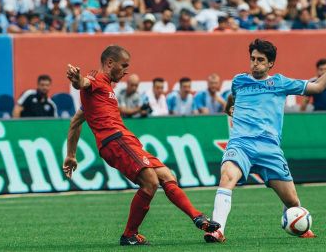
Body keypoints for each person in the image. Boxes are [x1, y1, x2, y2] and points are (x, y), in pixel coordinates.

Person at [63, 45, 219, 246]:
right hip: (115, 141)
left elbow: (76, 121)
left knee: (166, 175)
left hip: (125, 139)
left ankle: (198, 217)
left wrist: (71, 155)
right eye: (123, 65)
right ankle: (129, 235)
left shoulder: (103, 91)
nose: (126, 71)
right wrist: (77, 80)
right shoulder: (97, 80)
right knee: (150, 182)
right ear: (110, 63)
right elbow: (82, 83)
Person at [204, 39, 326, 243]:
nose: (255, 63)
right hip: (241, 144)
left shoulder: (280, 83)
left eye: (261, 60)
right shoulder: (239, 81)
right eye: (253, 59)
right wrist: (229, 108)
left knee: (292, 201)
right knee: (227, 177)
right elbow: (233, 98)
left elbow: (317, 87)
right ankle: (217, 230)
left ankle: (299, 224)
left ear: (270, 63)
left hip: (269, 149)